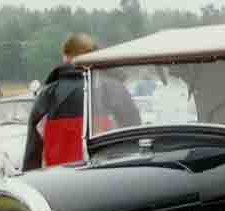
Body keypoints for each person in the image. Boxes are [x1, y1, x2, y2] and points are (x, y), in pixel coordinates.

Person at [23, 33, 140, 171]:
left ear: (66, 57)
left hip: (59, 182)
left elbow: (33, 152)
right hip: (109, 177)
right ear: (94, 55)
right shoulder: (115, 89)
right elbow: (135, 138)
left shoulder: (48, 94)